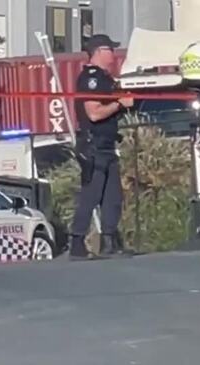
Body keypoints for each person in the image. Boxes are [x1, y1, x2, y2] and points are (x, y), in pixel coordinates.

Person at [69, 34, 134, 261]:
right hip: (93, 146)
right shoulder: (91, 78)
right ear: (98, 51)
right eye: (110, 50)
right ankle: (77, 242)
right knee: (91, 195)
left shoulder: (106, 79)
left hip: (107, 145)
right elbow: (94, 113)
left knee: (113, 197)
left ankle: (109, 241)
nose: (113, 55)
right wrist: (118, 104)